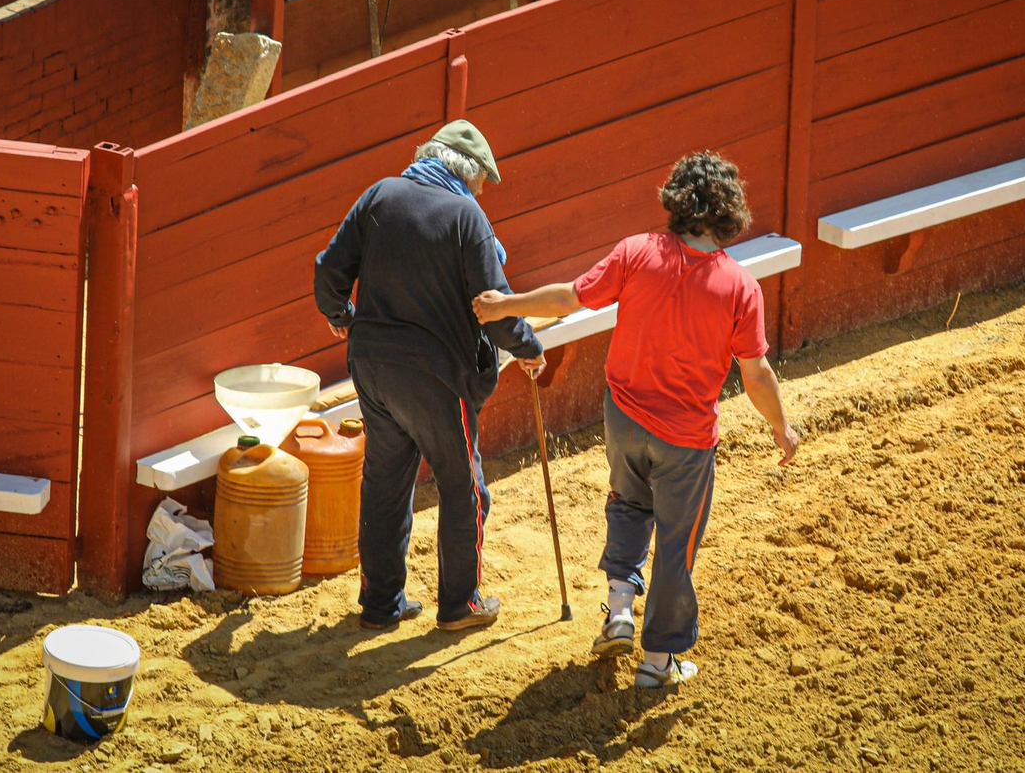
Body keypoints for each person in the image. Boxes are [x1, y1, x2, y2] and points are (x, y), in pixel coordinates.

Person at [473, 151, 800, 687]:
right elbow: (757, 374)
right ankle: (657, 664)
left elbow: (569, 299)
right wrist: (780, 428)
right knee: (677, 541)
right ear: (729, 213)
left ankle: (620, 609)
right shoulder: (740, 286)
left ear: (676, 200)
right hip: (686, 440)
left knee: (627, 504)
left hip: (623, 418)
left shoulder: (637, 252)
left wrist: (507, 304)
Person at [315, 119, 545, 632]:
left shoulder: (381, 194)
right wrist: (528, 348)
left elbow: (329, 271)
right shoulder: (467, 217)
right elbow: (494, 308)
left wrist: (341, 316)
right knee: (464, 488)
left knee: (385, 484)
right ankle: (460, 604)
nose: (482, 193)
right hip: (437, 379)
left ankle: (380, 605)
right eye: (483, 183)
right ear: (469, 172)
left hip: (372, 369)